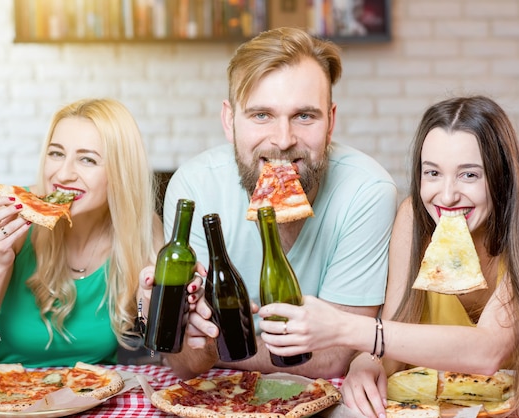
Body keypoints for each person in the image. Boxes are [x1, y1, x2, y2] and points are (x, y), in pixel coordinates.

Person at [257, 95, 519, 418]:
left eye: (469, 174)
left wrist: (343, 328)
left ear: (501, 177)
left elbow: (488, 350)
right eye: (432, 173)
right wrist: (367, 363)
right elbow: (395, 326)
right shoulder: (414, 219)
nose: (446, 195)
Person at [142, 26, 397, 380]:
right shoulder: (193, 186)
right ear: (230, 121)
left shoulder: (368, 191)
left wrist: (220, 347)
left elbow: (335, 357)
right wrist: (184, 331)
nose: (282, 140)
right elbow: (186, 362)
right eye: (261, 115)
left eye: (304, 116)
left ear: (331, 121)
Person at [0, 98, 163, 367]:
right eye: (56, 153)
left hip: (95, 394)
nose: (64, 173)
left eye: (87, 159)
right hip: (11, 394)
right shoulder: (15, 218)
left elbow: (159, 345)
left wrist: (151, 302)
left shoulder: (141, 227)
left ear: (120, 172)